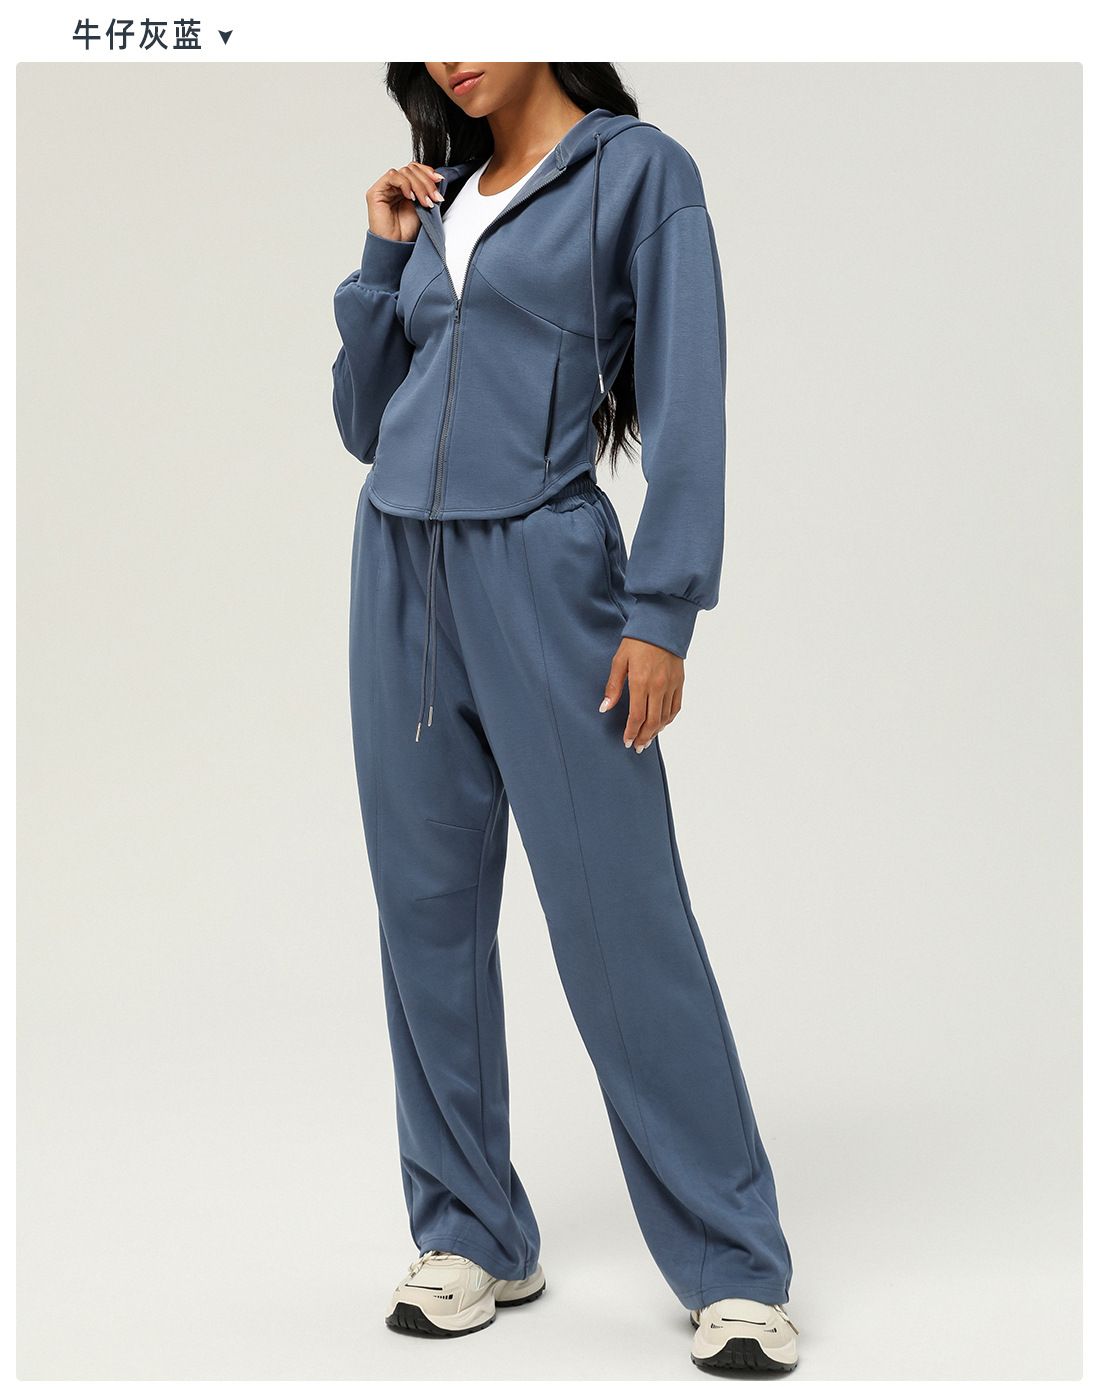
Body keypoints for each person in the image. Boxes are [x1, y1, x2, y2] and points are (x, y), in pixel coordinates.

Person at [331, 61, 800, 1373]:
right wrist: (381, 260)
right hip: (398, 572)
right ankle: (471, 1230)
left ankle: (732, 1263)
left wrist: (664, 608)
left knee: (619, 915)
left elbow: (689, 396)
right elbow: (367, 422)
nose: (455, 52)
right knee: (425, 916)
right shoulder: (441, 195)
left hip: (548, 567)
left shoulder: (640, 173)